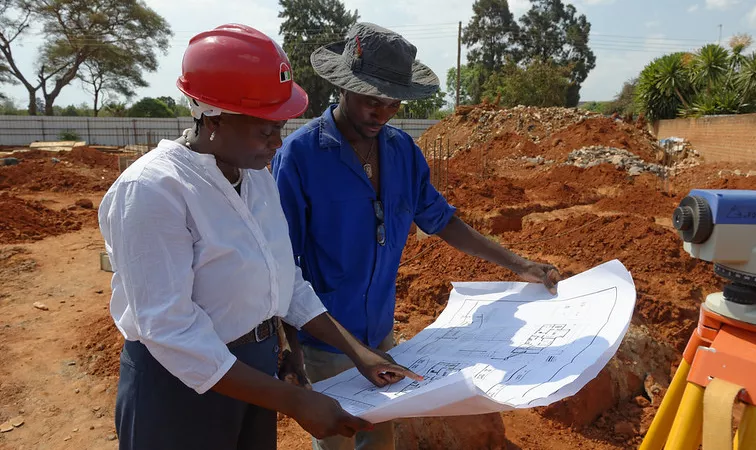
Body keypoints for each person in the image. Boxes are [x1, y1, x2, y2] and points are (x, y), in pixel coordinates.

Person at [97, 23, 421, 450]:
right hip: (180, 389)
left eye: (280, 124)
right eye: (264, 126)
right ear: (212, 114)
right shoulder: (154, 190)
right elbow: (170, 331)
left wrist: (358, 352)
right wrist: (295, 402)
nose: (277, 139)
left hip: (252, 373)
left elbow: (287, 284)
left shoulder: (255, 178)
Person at [271, 22, 563, 450]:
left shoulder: (402, 152)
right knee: (337, 441)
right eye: (372, 101)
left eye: (393, 103)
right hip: (325, 343)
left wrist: (520, 265)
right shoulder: (300, 158)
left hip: (382, 336)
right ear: (344, 88)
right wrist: (290, 351)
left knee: (380, 437)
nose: (383, 113)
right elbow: (283, 266)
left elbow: (442, 220)